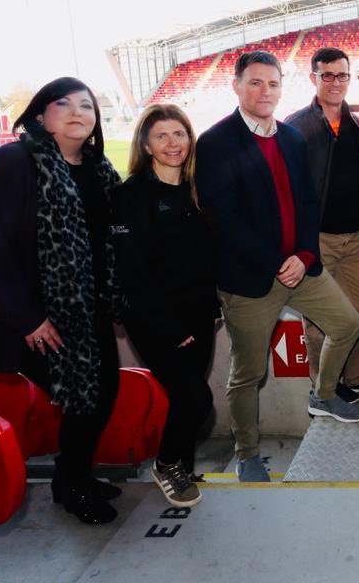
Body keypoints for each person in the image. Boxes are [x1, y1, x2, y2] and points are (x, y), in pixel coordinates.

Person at [0, 77, 123, 524]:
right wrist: (27, 317)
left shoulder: (97, 169)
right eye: (64, 104)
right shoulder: (13, 161)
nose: (78, 111)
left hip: (87, 306)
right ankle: (73, 485)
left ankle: (72, 475)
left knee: (100, 392)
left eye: (87, 105)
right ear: (41, 116)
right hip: (37, 314)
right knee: (85, 398)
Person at [195, 51, 359, 483]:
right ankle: (247, 453)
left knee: (347, 323)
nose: (264, 91)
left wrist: (305, 256)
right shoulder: (215, 143)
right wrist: (276, 263)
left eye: (272, 83)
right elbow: (224, 219)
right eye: (255, 83)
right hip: (251, 279)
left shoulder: (290, 138)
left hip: (300, 267)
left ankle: (323, 394)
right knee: (248, 373)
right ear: (236, 86)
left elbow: (309, 203)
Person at [110, 104, 218, 506]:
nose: (173, 144)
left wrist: (210, 307)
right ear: (147, 145)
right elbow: (133, 273)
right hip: (157, 320)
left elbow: (203, 259)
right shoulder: (129, 196)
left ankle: (183, 466)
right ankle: (167, 464)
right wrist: (171, 327)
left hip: (199, 315)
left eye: (179, 134)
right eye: (162, 136)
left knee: (186, 397)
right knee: (196, 400)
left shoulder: (197, 189)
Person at [286, 47, 359, 402]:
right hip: (316, 240)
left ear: (350, 78)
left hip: (352, 239)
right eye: (327, 75)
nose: (335, 82)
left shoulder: (354, 123)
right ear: (313, 77)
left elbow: (358, 183)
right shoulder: (296, 126)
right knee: (319, 322)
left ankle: (358, 376)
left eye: (341, 75)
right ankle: (326, 389)